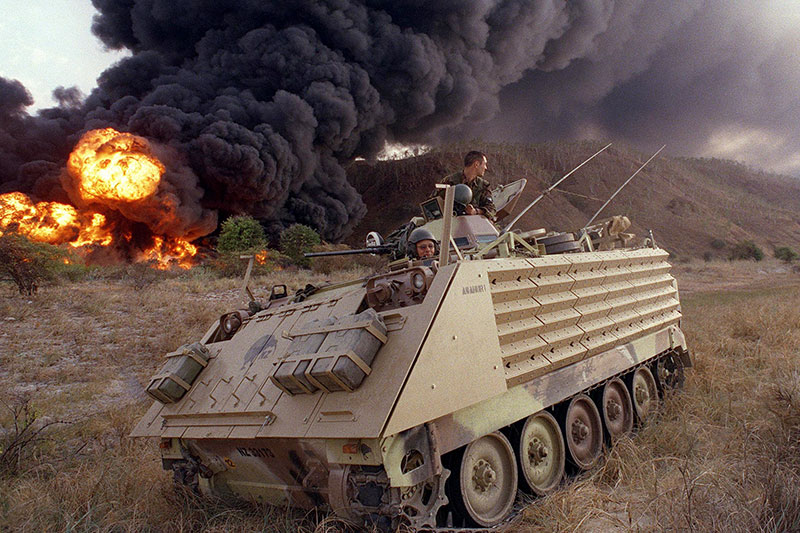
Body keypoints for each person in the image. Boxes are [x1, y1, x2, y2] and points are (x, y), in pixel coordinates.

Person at [439, 151, 496, 220]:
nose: (486, 168)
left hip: (475, 226)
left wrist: (475, 211)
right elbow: (433, 205)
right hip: (451, 224)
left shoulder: (483, 186)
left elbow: (492, 210)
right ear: (476, 164)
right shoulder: (450, 181)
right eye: (484, 164)